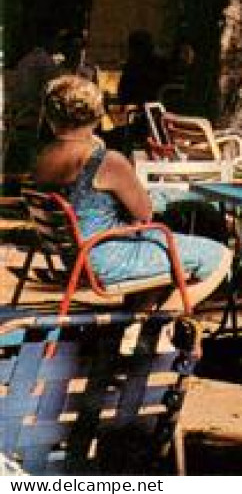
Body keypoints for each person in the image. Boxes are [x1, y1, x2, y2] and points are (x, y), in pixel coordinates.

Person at [31, 76, 230, 309]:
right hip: (106, 257)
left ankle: (136, 325)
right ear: (98, 114)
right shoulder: (105, 161)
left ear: (51, 117)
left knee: (157, 242)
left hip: (74, 257)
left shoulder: (42, 158)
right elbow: (144, 211)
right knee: (218, 256)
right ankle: (160, 323)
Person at [116, 30, 168, 107]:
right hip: (157, 105)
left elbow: (123, 92)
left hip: (142, 103)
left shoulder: (133, 65)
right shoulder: (161, 62)